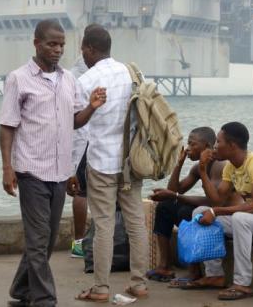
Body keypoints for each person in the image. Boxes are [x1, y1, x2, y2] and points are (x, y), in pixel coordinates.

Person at [0, 19, 106, 307]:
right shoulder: (18, 79)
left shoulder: (68, 80)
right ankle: (45, 299)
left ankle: (21, 289)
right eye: (51, 43)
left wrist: (92, 108)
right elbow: (8, 126)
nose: (57, 49)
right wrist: (7, 167)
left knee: (46, 241)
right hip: (30, 170)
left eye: (61, 44)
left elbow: (74, 122)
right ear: (36, 43)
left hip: (59, 173)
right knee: (37, 240)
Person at [74, 24, 150, 302]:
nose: (81, 54)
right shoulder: (131, 73)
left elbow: (79, 130)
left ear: (91, 49)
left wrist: (73, 169)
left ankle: (101, 288)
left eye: (83, 48)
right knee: (136, 222)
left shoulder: (85, 81)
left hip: (101, 162)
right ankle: (139, 283)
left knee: (103, 225)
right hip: (131, 162)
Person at [189, 122, 253, 301]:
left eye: (218, 142)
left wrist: (217, 211)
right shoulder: (230, 167)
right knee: (199, 212)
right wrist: (203, 171)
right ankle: (215, 275)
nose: (214, 147)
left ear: (232, 145)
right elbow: (217, 200)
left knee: (239, 218)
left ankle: (242, 283)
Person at [147, 127, 242, 286]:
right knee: (165, 206)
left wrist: (175, 196)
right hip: (209, 211)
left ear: (206, 146)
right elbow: (174, 190)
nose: (188, 148)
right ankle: (164, 266)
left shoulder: (220, 166)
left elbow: (214, 202)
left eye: (193, 144)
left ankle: (194, 272)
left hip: (224, 215)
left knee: (186, 211)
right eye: (188, 144)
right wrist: (179, 164)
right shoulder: (198, 168)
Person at [67, 55, 90, 258]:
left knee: (79, 192)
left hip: (74, 142)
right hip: (91, 140)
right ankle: (82, 244)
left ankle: (79, 242)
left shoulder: (69, 76)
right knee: (83, 193)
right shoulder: (94, 75)